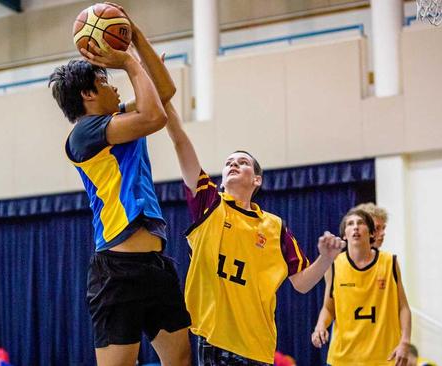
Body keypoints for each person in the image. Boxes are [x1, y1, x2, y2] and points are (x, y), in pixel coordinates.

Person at [48, 4, 191, 365]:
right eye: (104, 82)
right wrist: (128, 62)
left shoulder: (116, 118)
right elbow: (155, 115)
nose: (112, 87)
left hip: (155, 266)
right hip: (117, 269)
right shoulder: (84, 134)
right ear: (88, 95)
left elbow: (165, 91)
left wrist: (136, 37)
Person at [163, 101, 344, 365]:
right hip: (216, 339)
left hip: (259, 346)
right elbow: (180, 141)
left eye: (242, 162)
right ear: (222, 178)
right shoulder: (210, 205)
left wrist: (326, 258)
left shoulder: (275, 226)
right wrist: (164, 98)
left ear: (256, 179)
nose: (233, 165)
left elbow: (302, 283)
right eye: (228, 163)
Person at [311, 209, 411, 365]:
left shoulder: (389, 262)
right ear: (344, 234)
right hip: (345, 358)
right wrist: (320, 326)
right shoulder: (334, 265)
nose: (355, 227)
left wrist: (405, 341)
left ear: (371, 233)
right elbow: (329, 308)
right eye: (350, 224)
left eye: (361, 223)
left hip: (384, 357)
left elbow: (403, 307)